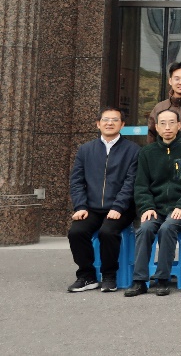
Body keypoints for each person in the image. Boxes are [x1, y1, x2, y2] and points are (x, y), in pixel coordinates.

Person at [125, 109, 181, 296]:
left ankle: (162, 279)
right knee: (144, 229)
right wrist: (147, 207)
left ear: (179, 125)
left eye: (172, 123)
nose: (167, 127)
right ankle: (139, 281)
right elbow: (141, 185)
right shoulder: (147, 152)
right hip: (156, 207)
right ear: (156, 127)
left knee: (168, 228)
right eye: (163, 123)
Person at [67, 107, 140, 293]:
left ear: (122, 125)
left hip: (121, 208)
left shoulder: (133, 150)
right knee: (76, 232)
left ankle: (109, 275)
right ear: (98, 124)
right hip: (91, 208)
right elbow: (76, 181)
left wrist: (118, 207)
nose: (110, 123)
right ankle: (86, 276)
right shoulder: (85, 150)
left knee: (108, 232)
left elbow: (131, 183)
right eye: (106, 120)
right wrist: (80, 206)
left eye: (115, 120)